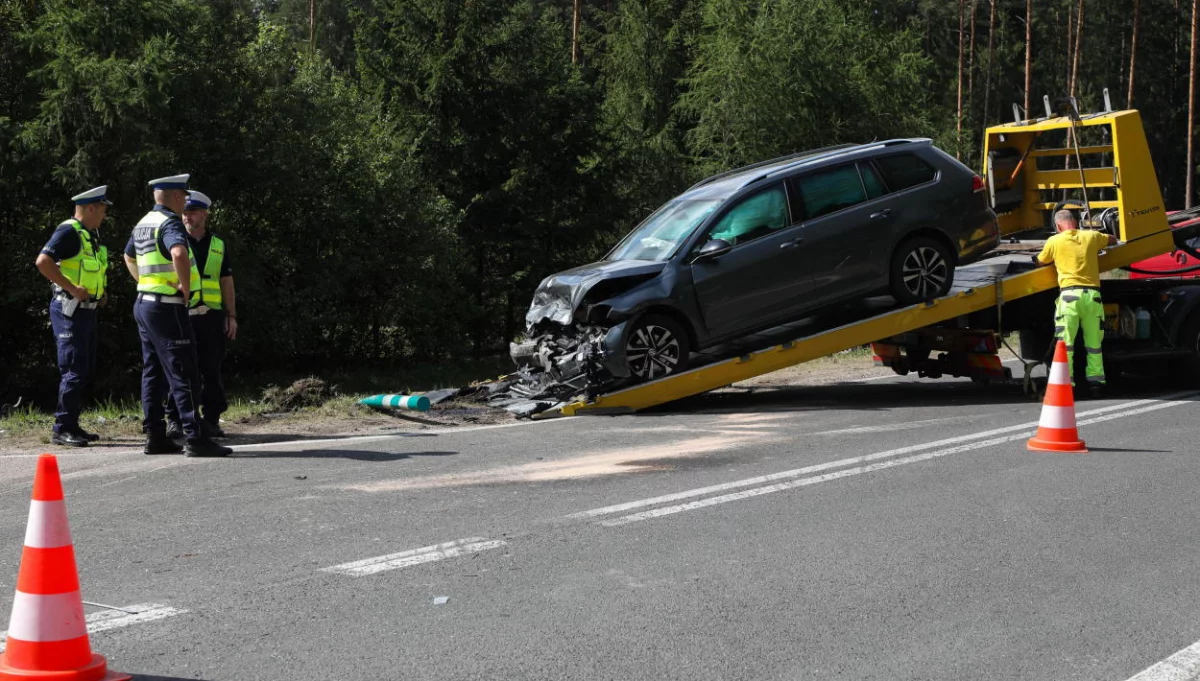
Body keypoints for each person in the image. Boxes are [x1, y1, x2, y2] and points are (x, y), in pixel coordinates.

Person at [122, 174, 231, 457]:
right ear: (173, 196)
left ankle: (155, 436)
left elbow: (129, 257)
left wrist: (143, 282)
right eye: (182, 196)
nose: (184, 202)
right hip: (167, 307)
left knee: (153, 372)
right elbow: (180, 254)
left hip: (144, 303)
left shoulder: (143, 223)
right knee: (184, 372)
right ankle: (195, 438)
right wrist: (184, 286)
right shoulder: (169, 223)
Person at [34, 186, 112, 447]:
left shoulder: (89, 235)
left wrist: (99, 293)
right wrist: (72, 288)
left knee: (83, 369)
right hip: (69, 311)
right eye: (102, 209)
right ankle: (62, 428)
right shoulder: (68, 231)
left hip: (86, 311)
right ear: (90, 208)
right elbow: (43, 262)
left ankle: (72, 424)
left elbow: (90, 270)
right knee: (73, 370)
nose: (104, 214)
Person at [165, 190, 236, 439]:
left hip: (212, 316)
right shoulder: (174, 240)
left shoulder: (218, 244)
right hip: (182, 313)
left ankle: (212, 419)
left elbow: (226, 280)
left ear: (204, 214)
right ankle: (176, 420)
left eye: (192, 213)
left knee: (211, 369)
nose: (187, 217)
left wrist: (231, 316)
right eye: (184, 213)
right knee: (181, 369)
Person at [1035, 208, 1118, 395]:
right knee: (1094, 344)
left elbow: (1040, 261)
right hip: (1092, 297)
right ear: (1075, 222)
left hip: (1069, 299)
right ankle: (1096, 383)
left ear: (1057, 225)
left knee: (1066, 345)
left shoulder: (1054, 241)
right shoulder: (1091, 236)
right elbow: (1112, 240)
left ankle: (1067, 384)